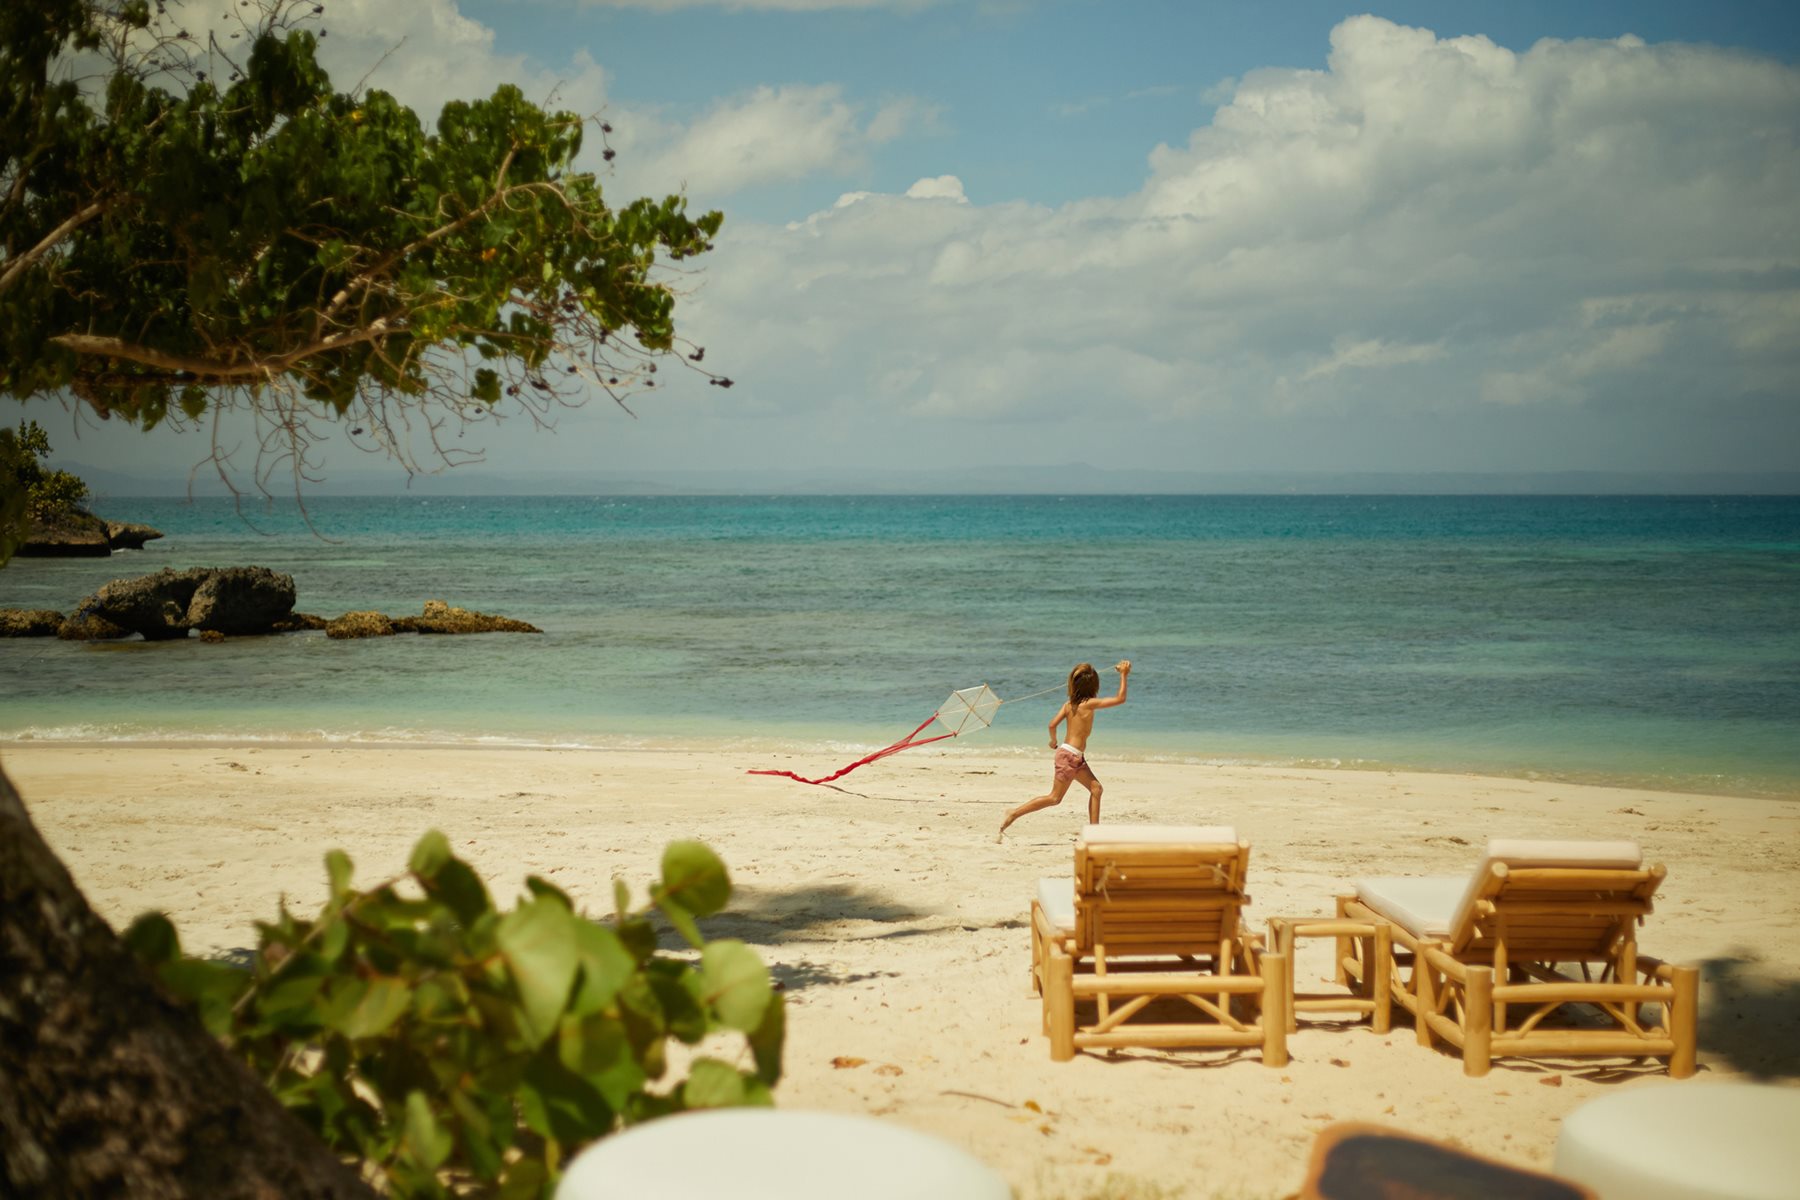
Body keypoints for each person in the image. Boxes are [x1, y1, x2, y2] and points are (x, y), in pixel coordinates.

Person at [996, 659, 1130, 841]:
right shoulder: (1090, 703)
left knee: (1096, 789)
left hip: (1071, 755)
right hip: (1069, 757)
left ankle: (1094, 833)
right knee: (1054, 798)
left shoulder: (1068, 705)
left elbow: (1052, 725)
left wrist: (1053, 741)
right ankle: (1014, 813)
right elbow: (1120, 699)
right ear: (1094, 685)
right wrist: (1123, 674)